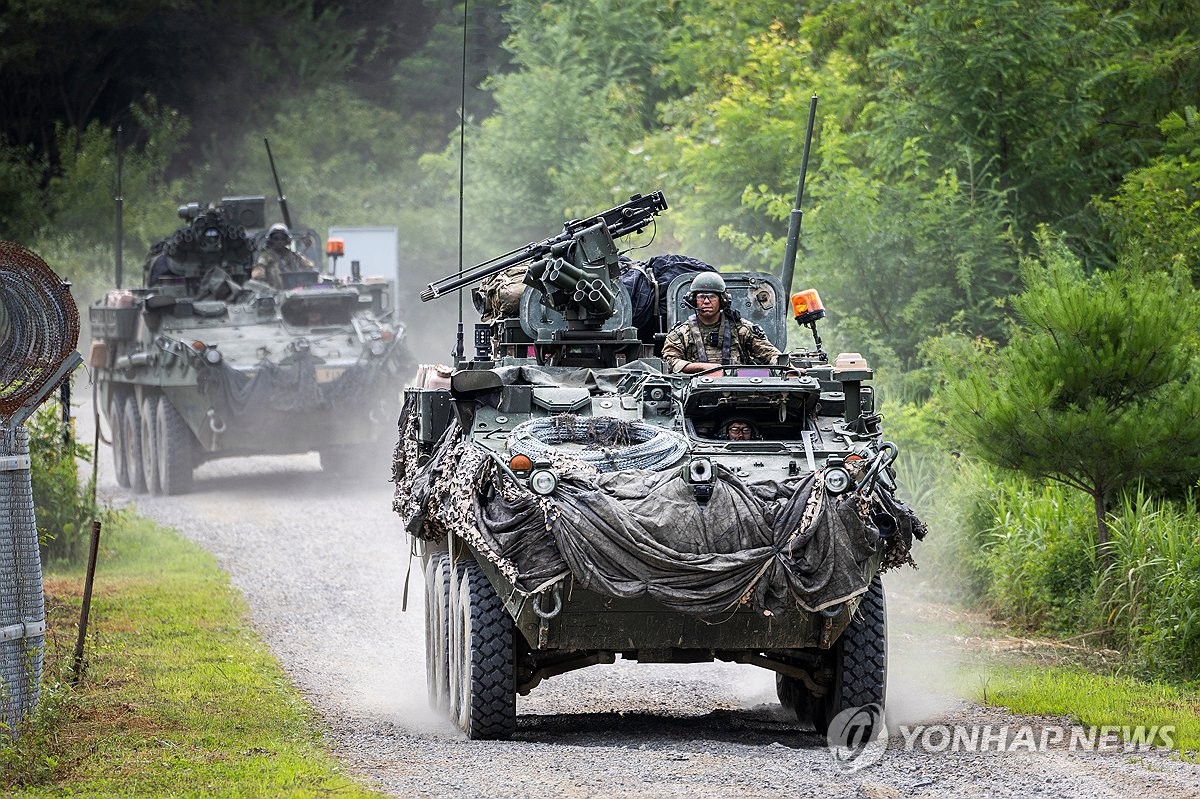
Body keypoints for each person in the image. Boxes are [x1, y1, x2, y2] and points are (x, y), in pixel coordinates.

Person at [660, 272, 783, 374]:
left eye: (712, 296)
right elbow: (671, 361)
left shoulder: (741, 328)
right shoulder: (681, 334)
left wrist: (789, 367)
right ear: (693, 300)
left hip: (738, 392)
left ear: (722, 300)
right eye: (702, 297)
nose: (706, 301)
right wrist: (702, 367)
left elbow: (770, 353)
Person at [251, 223, 314, 289]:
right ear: (271, 240)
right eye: (276, 239)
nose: (279, 241)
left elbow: (309, 268)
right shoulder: (266, 257)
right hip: (274, 294)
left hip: (293, 293)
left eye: (282, 239)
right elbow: (257, 274)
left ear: (286, 241)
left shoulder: (293, 256)